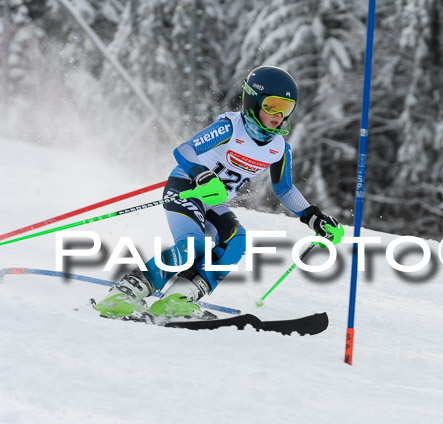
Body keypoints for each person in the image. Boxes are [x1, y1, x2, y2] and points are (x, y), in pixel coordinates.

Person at [94, 65, 343, 320]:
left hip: (212, 202)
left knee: (236, 241)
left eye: (286, 108)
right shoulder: (230, 128)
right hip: (187, 189)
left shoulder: (279, 148)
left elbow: (285, 188)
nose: (279, 115)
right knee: (193, 246)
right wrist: (201, 174)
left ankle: (178, 298)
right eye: (272, 106)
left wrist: (314, 217)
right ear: (253, 101)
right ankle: (126, 292)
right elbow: (185, 150)